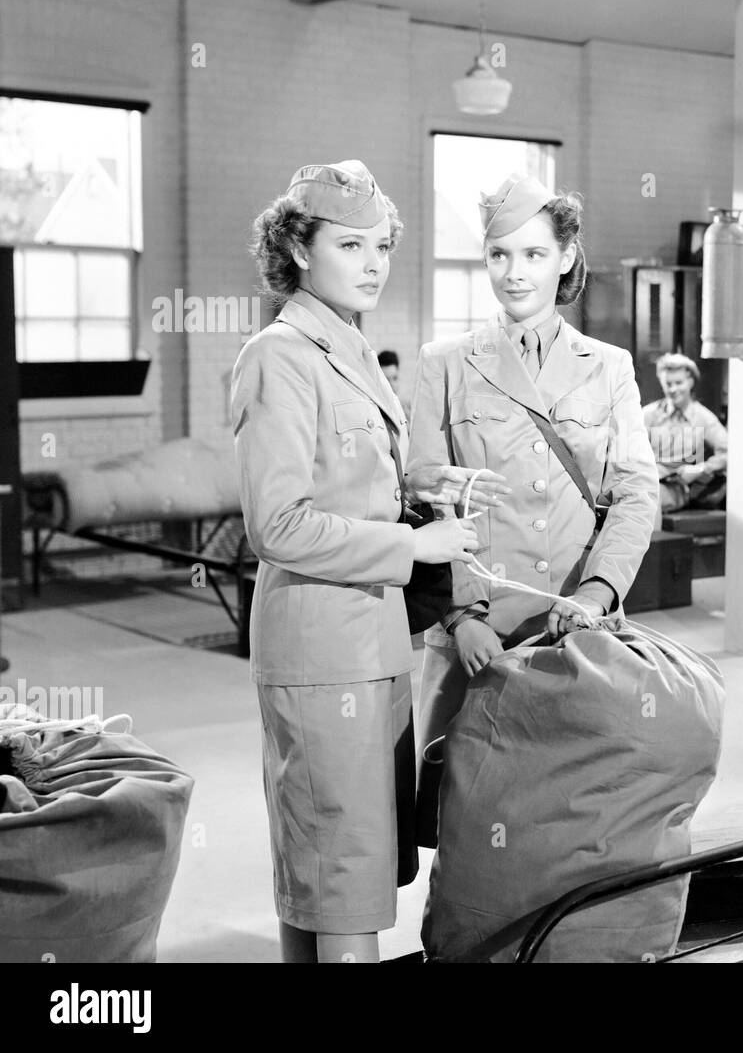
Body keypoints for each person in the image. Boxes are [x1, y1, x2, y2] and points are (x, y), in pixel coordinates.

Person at [232, 160, 497, 963]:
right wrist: (413, 545)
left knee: (341, 867)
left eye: (381, 245)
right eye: (352, 245)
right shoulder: (281, 353)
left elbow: (336, 481)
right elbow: (276, 524)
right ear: (299, 250)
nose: (375, 262)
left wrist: (416, 483)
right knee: (340, 870)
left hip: (368, 643)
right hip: (321, 648)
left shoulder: (343, 342)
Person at [406, 175, 658, 942]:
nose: (515, 271)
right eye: (499, 254)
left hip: (576, 634)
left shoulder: (608, 366)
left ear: (566, 258)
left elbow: (637, 491)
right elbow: (420, 496)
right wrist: (457, 615)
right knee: (472, 828)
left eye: (534, 253)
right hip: (480, 641)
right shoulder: (444, 362)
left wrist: (602, 589)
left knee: (572, 821)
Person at [642, 351, 728, 514]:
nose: (673, 389)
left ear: (690, 382)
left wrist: (701, 469)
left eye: (678, 382)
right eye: (668, 383)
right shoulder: (648, 414)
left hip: (674, 488)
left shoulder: (703, 418)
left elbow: (730, 453)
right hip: (642, 479)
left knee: (643, 500)